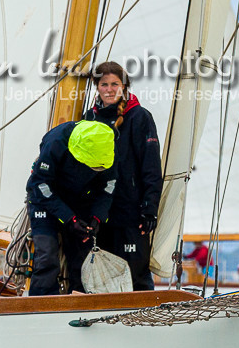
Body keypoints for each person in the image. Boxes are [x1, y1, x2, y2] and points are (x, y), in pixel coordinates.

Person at [82, 61, 162, 291]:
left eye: (115, 84)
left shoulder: (139, 117)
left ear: (124, 86)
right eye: (104, 84)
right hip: (99, 214)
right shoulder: (89, 119)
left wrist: (150, 208)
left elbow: (151, 166)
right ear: (97, 88)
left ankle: (142, 313)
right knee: (101, 280)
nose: (109, 89)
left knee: (135, 276)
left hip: (131, 213)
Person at [26, 119, 117, 295]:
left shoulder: (107, 148)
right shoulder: (55, 142)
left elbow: (108, 187)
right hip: (44, 199)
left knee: (83, 259)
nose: (96, 170)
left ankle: (80, 302)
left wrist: (97, 217)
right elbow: (41, 184)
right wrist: (69, 218)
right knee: (47, 257)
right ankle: (42, 304)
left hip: (80, 200)